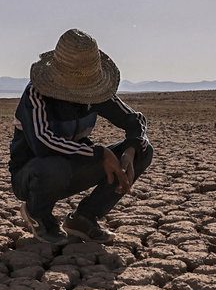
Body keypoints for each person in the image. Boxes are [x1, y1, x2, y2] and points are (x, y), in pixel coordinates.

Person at [10, 29, 153, 245]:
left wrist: (130, 150)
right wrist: (100, 154)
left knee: (143, 150)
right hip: (32, 176)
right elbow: (42, 143)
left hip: (73, 167)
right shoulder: (36, 94)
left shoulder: (94, 93)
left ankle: (84, 218)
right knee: (53, 167)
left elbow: (134, 120)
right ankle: (38, 214)